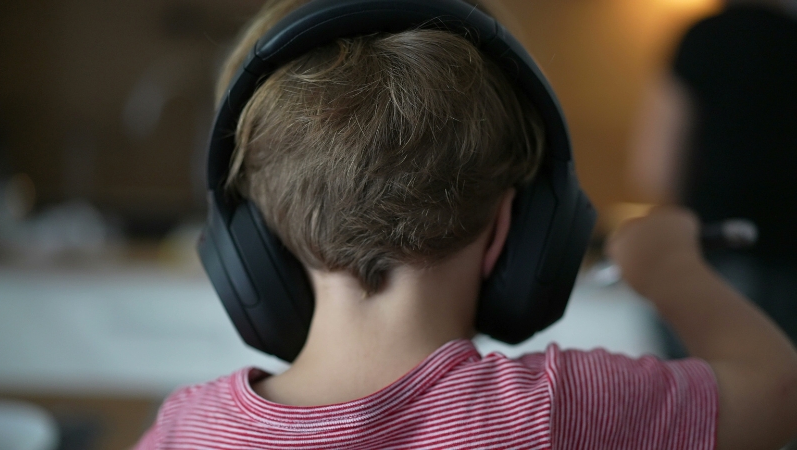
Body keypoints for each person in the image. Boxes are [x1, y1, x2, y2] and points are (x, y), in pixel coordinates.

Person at [135, 0, 797, 448]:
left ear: (253, 242)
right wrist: (672, 269)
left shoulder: (185, 429)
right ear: (521, 228)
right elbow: (778, 391)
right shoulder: (557, 409)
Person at [630, 0, 797, 362]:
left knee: (707, 407)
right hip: (789, 262)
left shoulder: (704, 39)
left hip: (715, 258)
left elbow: (656, 167)